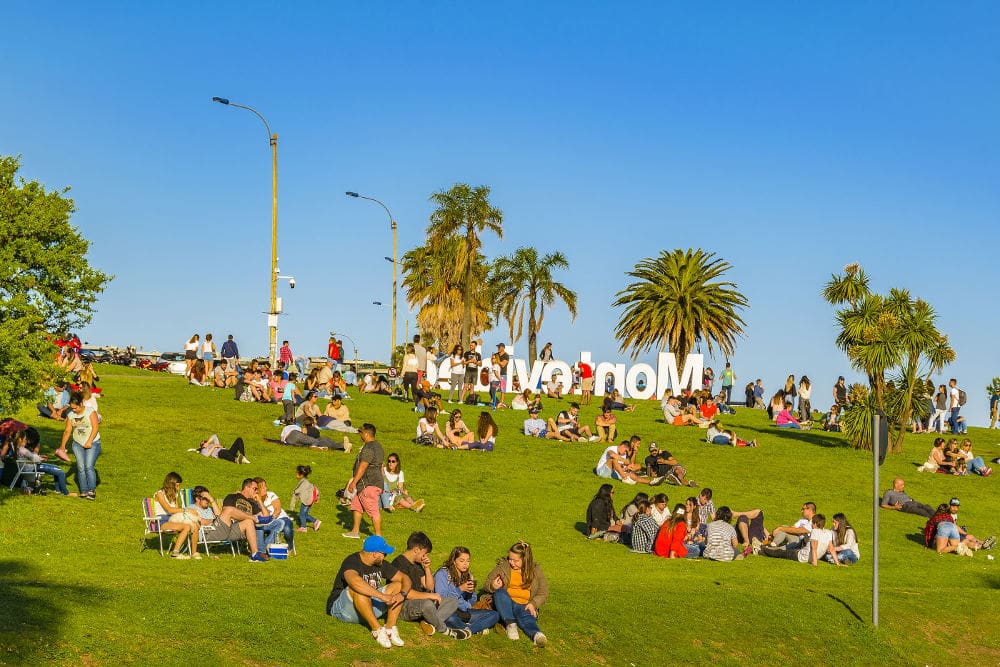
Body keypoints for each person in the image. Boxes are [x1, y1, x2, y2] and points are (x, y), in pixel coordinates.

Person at [327, 534, 411, 649]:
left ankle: (390, 628)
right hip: (343, 610)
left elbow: (405, 578)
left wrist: (403, 594)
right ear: (375, 553)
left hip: (366, 607)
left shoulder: (381, 564)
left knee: (397, 585)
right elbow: (354, 581)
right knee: (358, 588)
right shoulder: (352, 561)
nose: (385, 556)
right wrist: (381, 596)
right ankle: (377, 630)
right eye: (384, 553)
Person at [391, 532, 471, 640]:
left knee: (452, 601)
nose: (426, 556)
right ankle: (446, 630)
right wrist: (429, 596)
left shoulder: (417, 564)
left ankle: (430, 622)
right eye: (425, 553)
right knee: (427, 604)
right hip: (403, 605)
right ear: (416, 550)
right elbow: (405, 593)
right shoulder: (398, 564)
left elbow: (429, 586)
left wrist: (427, 568)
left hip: (419, 601)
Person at [484, 541, 549, 647]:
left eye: (516, 560)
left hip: (525, 605)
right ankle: (511, 624)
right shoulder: (502, 567)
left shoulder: (535, 571)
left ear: (525, 559)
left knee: (527, 618)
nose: (511, 563)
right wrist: (493, 586)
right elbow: (486, 584)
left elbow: (543, 592)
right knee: (500, 593)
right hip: (506, 603)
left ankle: (537, 635)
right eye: (510, 559)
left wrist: (533, 603)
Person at [433, 547, 501, 635]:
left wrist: (471, 592)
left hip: (463, 612)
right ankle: (474, 628)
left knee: (494, 615)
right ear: (454, 560)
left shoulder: (467, 575)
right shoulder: (443, 574)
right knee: (450, 618)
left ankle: (466, 629)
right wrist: (460, 589)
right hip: (448, 611)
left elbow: (470, 603)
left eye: (468, 561)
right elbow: (442, 599)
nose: (465, 564)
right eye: (462, 561)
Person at [343, 423, 386, 539]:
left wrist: (353, 482)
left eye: (361, 432)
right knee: (356, 505)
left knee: (373, 511)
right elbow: (381, 466)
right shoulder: (378, 446)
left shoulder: (369, 447)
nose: (360, 434)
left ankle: (378, 537)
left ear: (366, 434)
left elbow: (363, 466)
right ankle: (355, 531)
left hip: (368, 484)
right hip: (373, 483)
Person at [59, 390, 101, 499]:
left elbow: (96, 427)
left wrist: (89, 441)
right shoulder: (70, 415)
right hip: (77, 443)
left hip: (93, 442)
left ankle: (91, 490)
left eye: (75, 408)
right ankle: (83, 490)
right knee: (80, 467)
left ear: (81, 404)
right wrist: (62, 446)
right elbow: (67, 431)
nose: (74, 410)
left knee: (88, 466)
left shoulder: (90, 411)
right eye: (72, 408)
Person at [220, 478, 271, 562]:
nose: (257, 491)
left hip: (250, 525)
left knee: (275, 523)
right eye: (255, 489)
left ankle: (258, 553)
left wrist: (259, 500)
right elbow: (226, 511)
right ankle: (259, 553)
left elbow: (266, 517)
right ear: (247, 488)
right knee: (253, 523)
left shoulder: (252, 503)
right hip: (234, 525)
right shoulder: (232, 497)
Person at [254, 476, 295, 551]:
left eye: (265, 486)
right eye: (263, 487)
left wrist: (271, 519)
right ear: (257, 490)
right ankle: (265, 548)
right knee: (259, 528)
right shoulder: (254, 500)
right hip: (264, 522)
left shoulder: (271, 495)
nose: (266, 488)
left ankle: (290, 547)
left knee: (286, 528)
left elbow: (277, 509)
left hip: (280, 518)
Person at [595, 441, 662, 485]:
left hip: (612, 472)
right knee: (613, 459)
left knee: (632, 475)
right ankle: (624, 477)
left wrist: (626, 468)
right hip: (601, 471)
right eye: (625, 450)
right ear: (622, 446)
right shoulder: (612, 448)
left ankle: (652, 482)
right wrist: (624, 461)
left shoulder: (623, 454)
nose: (625, 453)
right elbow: (612, 455)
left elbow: (619, 466)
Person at [290, 464, 321, 532]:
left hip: (307, 501)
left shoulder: (304, 483)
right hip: (309, 500)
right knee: (305, 513)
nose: (295, 474)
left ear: (301, 474)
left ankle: (306, 526)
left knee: (302, 514)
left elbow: (298, 491)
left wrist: (295, 493)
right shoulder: (305, 481)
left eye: (296, 472)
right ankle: (311, 523)